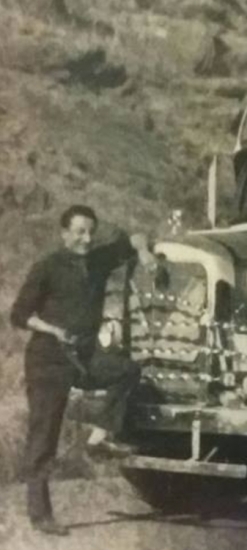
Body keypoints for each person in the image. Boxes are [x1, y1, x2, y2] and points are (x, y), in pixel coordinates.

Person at [10, 204, 157, 536]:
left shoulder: (99, 259)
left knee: (127, 371)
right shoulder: (46, 267)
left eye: (90, 231)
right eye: (79, 232)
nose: (86, 238)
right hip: (48, 360)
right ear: (64, 233)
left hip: (85, 357)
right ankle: (40, 513)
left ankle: (99, 436)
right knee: (44, 435)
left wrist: (145, 252)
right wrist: (54, 330)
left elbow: (136, 237)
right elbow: (19, 315)